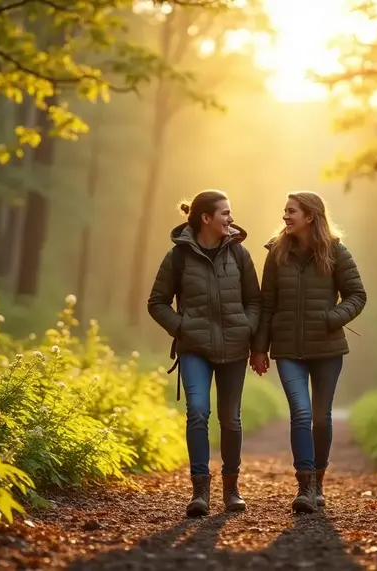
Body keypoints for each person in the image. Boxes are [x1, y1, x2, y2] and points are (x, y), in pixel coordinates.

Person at [250, 191, 367, 514]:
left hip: (327, 348)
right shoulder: (276, 253)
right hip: (287, 349)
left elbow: (357, 295)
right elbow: (266, 304)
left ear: (310, 217)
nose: (285, 216)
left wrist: (333, 318)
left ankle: (319, 481)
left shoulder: (336, 251)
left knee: (321, 417)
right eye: (285, 211)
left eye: (292, 211)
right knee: (301, 414)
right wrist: (259, 348)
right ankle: (305, 487)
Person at [148, 190, 261, 518]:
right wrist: (182, 328)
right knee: (197, 411)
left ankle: (231, 489)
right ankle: (200, 492)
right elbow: (156, 302)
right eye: (225, 213)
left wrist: (246, 328)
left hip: (234, 348)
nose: (230, 218)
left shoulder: (240, 255)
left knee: (231, 418)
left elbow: (255, 301)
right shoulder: (178, 257)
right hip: (194, 348)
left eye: (230, 212)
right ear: (206, 218)